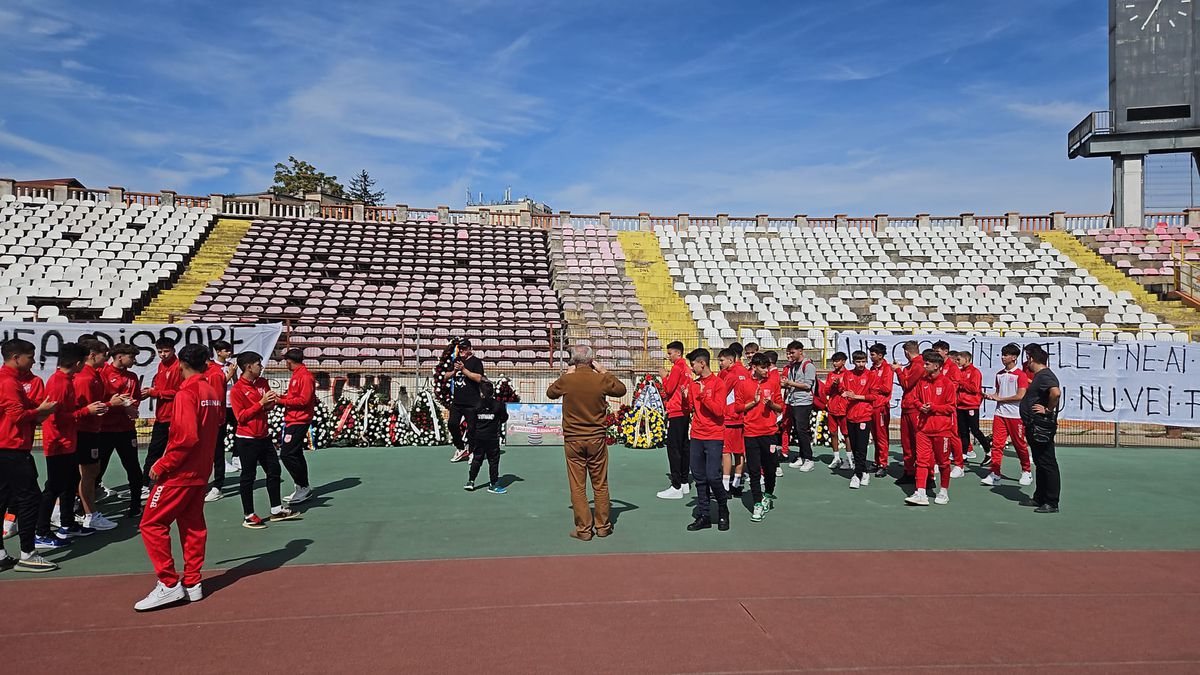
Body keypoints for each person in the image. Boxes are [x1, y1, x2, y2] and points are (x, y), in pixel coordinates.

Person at [134, 343, 225, 611]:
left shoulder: (187, 393)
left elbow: (186, 437)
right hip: (200, 471)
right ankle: (193, 583)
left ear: (181, 364)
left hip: (180, 473)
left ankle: (169, 583)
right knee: (193, 527)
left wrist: (163, 464)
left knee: (151, 524)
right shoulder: (209, 390)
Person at [546, 346, 627, 540]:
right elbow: (621, 389)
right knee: (600, 484)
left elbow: (550, 393)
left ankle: (583, 529)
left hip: (574, 439)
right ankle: (603, 526)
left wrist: (567, 373)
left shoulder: (568, 380)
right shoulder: (600, 379)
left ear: (574, 361)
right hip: (596, 438)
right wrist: (603, 371)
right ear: (591, 361)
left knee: (578, 485)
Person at [0, 339, 59, 572]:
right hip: (13, 448)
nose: (34, 360)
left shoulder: (8, 380)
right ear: (16, 358)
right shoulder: (9, 382)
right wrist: (40, 412)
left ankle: (3, 554)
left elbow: (20, 413)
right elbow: (17, 416)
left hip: (8, 447)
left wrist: (36, 412)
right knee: (29, 499)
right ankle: (28, 553)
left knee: (3, 499)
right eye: (30, 356)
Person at [35, 343, 101, 550]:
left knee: (71, 482)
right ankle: (41, 532)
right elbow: (54, 419)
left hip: (68, 442)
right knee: (53, 487)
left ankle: (68, 523)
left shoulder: (66, 380)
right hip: (58, 443)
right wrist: (85, 412)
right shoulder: (59, 384)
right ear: (79, 362)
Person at [230, 352, 301, 530]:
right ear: (248, 367)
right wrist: (261, 403)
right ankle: (248, 515)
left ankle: (276, 509)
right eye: (258, 364)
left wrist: (271, 402)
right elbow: (241, 417)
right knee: (248, 476)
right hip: (246, 439)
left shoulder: (262, 382)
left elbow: (269, 406)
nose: (261, 367)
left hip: (264, 436)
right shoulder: (237, 389)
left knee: (274, 470)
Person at [682, 348, 729, 531]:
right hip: (696, 435)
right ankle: (704, 515)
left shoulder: (718, 384)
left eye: (693, 364)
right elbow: (691, 409)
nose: (692, 368)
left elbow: (718, 411)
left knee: (713, 476)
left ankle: (723, 510)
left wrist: (703, 396)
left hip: (714, 435)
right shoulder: (694, 385)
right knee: (700, 477)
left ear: (702, 363)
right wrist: (686, 398)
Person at [73, 340, 117, 531]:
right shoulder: (85, 378)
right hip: (85, 432)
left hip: (91, 431)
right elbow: (87, 408)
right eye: (104, 353)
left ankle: (86, 512)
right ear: (92, 355)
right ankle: (89, 514)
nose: (106, 357)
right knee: (87, 473)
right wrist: (110, 405)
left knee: (90, 472)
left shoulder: (94, 376)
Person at [98, 343, 143, 519]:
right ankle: (85, 506)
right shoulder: (102, 374)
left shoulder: (132, 376)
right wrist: (124, 407)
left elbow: (136, 399)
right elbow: (100, 402)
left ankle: (135, 504)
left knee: (132, 467)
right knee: (97, 469)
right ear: (119, 357)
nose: (134, 360)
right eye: (131, 357)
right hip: (104, 430)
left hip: (126, 429)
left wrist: (129, 406)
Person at [906, 350, 956, 506]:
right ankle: (920, 493)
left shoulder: (947, 383)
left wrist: (933, 407)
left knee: (943, 463)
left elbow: (951, 407)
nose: (924, 366)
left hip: (942, 430)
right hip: (923, 429)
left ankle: (943, 491)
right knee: (921, 461)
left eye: (927, 364)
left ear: (936, 366)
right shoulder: (922, 382)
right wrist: (921, 407)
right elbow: (915, 399)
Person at [982, 343, 1032, 487]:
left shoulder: (1020, 375)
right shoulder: (999, 374)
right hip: (1000, 415)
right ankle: (995, 473)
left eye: (1006, 355)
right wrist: (991, 396)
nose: (1003, 357)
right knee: (997, 445)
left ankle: (1026, 471)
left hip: (1016, 416)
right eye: (1002, 354)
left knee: (1020, 445)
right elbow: (998, 393)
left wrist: (1000, 399)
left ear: (1014, 357)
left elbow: (1021, 395)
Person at [1020, 344, 1061, 514]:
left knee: (1047, 462)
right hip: (1033, 424)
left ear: (1031, 358)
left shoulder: (1045, 375)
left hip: (1040, 425)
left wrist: (1048, 409)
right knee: (1039, 462)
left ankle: (1051, 501)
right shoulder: (1040, 376)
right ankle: (1040, 496)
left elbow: (1056, 393)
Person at [745, 353, 783, 522]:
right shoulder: (744, 384)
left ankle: (768, 494)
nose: (767, 370)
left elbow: (780, 408)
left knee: (770, 467)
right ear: (754, 367)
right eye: (763, 367)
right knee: (753, 470)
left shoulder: (773, 383)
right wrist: (753, 403)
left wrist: (771, 404)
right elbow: (739, 407)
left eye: (768, 367)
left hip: (769, 433)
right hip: (751, 433)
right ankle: (757, 503)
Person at [141, 338, 182, 492]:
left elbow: (180, 391)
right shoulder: (161, 365)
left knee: (173, 452)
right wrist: (151, 392)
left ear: (173, 350)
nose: (162, 355)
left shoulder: (179, 367)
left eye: (166, 351)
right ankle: (146, 484)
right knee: (154, 451)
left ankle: (169, 483)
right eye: (159, 351)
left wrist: (155, 392)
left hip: (174, 417)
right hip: (162, 416)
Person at [276, 349, 316, 505]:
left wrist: (282, 401)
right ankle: (301, 486)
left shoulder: (304, 376)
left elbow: (303, 401)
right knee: (296, 453)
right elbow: (296, 397)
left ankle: (303, 486)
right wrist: (281, 397)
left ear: (289, 361)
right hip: (294, 419)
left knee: (287, 454)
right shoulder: (299, 375)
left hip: (299, 420)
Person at [832, 350, 875, 489]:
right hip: (850, 415)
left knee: (862, 447)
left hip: (864, 415)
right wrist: (839, 387)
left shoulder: (871, 375)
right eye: (858, 361)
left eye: (863, 361)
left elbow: (873, 396)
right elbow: (843, 391)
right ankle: (864, 471)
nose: (861, 364)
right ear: (853, 361)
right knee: (855, 446)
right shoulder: (848, 375)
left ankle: (856, 475)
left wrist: (856, 396)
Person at [657, 341, 692, 500]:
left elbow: (669, 389)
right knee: (684, 446)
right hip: (684, 411)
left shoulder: (678, 367)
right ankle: (684, 482)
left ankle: (676, 485)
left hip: (676, 410)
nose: (668, 356)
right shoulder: (686, 368)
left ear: (678, 353)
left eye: (670, 353)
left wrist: (664, 377)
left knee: (674, 448)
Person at [717, 347, 752, 496]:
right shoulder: (745, 372)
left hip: (729, 417)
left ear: (730, 360)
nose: (720, 363)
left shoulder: (730, 375)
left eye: (721, 360)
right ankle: (737, 484)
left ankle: (725, 486)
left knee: (726, 452)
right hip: (741, 416)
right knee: (739, 452)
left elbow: (720, 395)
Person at [204, 345, 236, 502]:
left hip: (230, 406)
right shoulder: (213, 370)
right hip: (216, 411)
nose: (229, 353)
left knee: (229, 439)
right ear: (218, 352)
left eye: (229, 350)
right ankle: (213, 483)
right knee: (213, 448)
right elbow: (216, 389)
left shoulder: (230, 366)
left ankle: (218, 483)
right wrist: (229, 376)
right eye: (226, 350)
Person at [463, 380, 508, 494]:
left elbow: (471, 426)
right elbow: (504, 418)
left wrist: (470, 442)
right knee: (493, 461)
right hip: (492, 438)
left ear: (481, 393)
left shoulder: (475, 406)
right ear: (492, 392)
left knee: (477, 459)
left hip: (478, 437)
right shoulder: (499, 405)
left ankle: (471, 481)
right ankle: (493, 484)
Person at [445, 340, 485, 463]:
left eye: (464, 348)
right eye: (460, 348)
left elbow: (479, 378)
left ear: (469, 349)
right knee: (452, 424)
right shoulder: (456, 360)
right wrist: (455, 371)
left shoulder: (476, 362)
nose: (461, 350)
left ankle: (472, 451)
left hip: (472, 402)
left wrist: (463, 370)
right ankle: (461, 448)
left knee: (472, 428)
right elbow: (446, 376)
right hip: (457, 402)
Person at [780, 340, 817, 472]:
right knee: (798, 430)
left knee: (802, 430)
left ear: (800, 351)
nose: (790, 355)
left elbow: (808, 385)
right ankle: (802, 456)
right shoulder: (793, 366)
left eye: (793, 352)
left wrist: (791, 383)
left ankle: (809, 459)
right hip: (794, 401)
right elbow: (791, 383)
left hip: (804, 402)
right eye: (789, 353)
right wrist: (785, 383)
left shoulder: (808, 365)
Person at [932, 342, 965, 476]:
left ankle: (959, 465)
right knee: (934, 435)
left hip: (947, 408)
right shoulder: (936, 367)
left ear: (946, 351)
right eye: (934, 350)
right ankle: (935, 462)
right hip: (935, 408)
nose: (935, 353)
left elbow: (955, 385)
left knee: (953, 435)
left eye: (938, 351)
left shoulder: (952, 367)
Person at [895, 341, 924, 484]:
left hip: (914, 406)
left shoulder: (918, 365)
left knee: (916, 442)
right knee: (907, 442)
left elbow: (906, 384)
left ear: (907, 352)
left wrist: (898, 371)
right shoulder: (913, 365)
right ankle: (909, 471)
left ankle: (923, 473)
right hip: (908, 405)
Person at [954, 351, 989, 466]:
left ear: (967, 359)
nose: (957, 362)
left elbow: (974, 388)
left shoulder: (975, 372)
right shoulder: (960, 372)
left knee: (975, 430)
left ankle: (988, 451)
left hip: (971, 405)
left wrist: (961, 383)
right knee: (962, 431)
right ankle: (963, 454)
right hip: (960, 405)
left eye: (959, 359)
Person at [867, 343, 894, 477]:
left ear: (880, 355)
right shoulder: (872, 368)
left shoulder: (887, 369)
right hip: (872, 406)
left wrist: (874, 385)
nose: (870, 357)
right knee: (875, 436)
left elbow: (887, 388)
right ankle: (877, 461)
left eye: (872, 354)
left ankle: (883, 464)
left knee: (882, 436)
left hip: (881, 407)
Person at [823, 352, 850, 469]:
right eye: (833, 361)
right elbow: (826, 390)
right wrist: (833, 386)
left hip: (844, 408)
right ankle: (836, 457)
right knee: (833, 433)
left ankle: (849, 459)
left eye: (837, 361)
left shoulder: (849, 374)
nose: (834, 363)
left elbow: (847, 391)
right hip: (832, 408)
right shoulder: (831, 375)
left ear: (843, 361)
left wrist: (838, 386)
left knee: (846, 434)